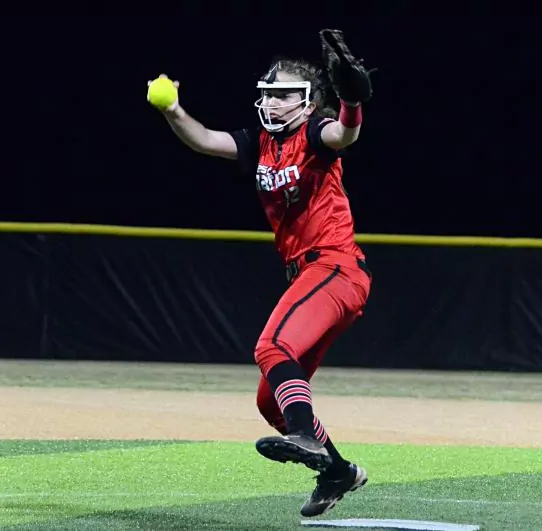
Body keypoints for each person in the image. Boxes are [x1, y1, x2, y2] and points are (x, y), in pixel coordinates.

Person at [148, 29, 376, 518]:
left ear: (309, 102)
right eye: (269, 94)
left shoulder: (315, 131)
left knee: (272, 347)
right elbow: (206, 140)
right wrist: (173, 110)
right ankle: (338, 471)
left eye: (284, 95)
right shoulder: (261, 142)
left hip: (335, 267)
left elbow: (344, 134)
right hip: (310, 276)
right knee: (272, 402)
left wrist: (352, 102)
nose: (272, 102)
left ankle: (307, 440)